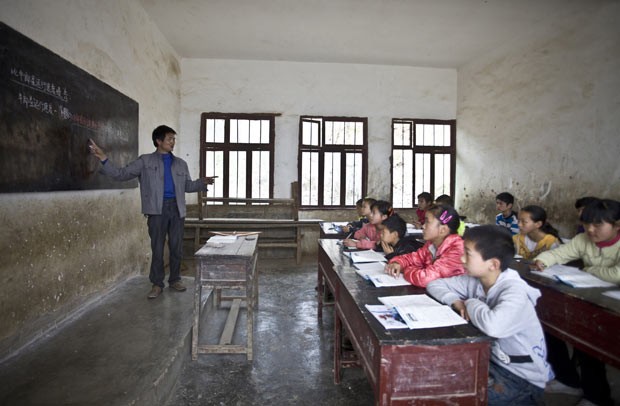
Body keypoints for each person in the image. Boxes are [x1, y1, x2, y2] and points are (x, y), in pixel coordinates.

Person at [427, 225, 552, 405]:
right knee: (437, 377)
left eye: (468, 254)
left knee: (456, 399)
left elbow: (494, 326)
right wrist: (455, 300)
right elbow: (435, 285)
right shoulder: (476, 280)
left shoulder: (515, 291)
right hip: (492, 360)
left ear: (493, 264)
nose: (462, 259)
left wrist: (470, 303)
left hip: (520, 377)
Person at [89, 125, 216, 299]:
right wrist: (103, 158)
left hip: (177, 209)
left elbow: (187, 186)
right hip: (156, 210)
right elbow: (121, 174)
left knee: (176, 248)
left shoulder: (181, 163)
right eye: (170, 138)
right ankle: (157, 284)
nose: (173, 142)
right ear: (159, 141)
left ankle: (175, 279)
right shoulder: (145, 161)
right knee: (157, 249)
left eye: (173, 139)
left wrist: (202, 182)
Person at [533, 199, 620, 406]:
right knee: (560, 330)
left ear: (617, 225)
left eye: (598, 225)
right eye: (586, 223)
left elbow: (617, 275)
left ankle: (597, 397)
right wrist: (543, 260)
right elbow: (559, 253)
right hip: (591, 300)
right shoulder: (583, 239)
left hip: (614, 308)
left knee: (594, 345)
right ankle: (569, 381)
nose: (590, 229)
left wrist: (589, 270)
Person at [384, 205, 464, 287]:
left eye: (427, 222)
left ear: (443, 230)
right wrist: (397, 263)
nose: (423, 226)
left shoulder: (457, 250)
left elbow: (425, 279)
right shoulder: (431, 245)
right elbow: (412, 258)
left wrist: (406, 269)